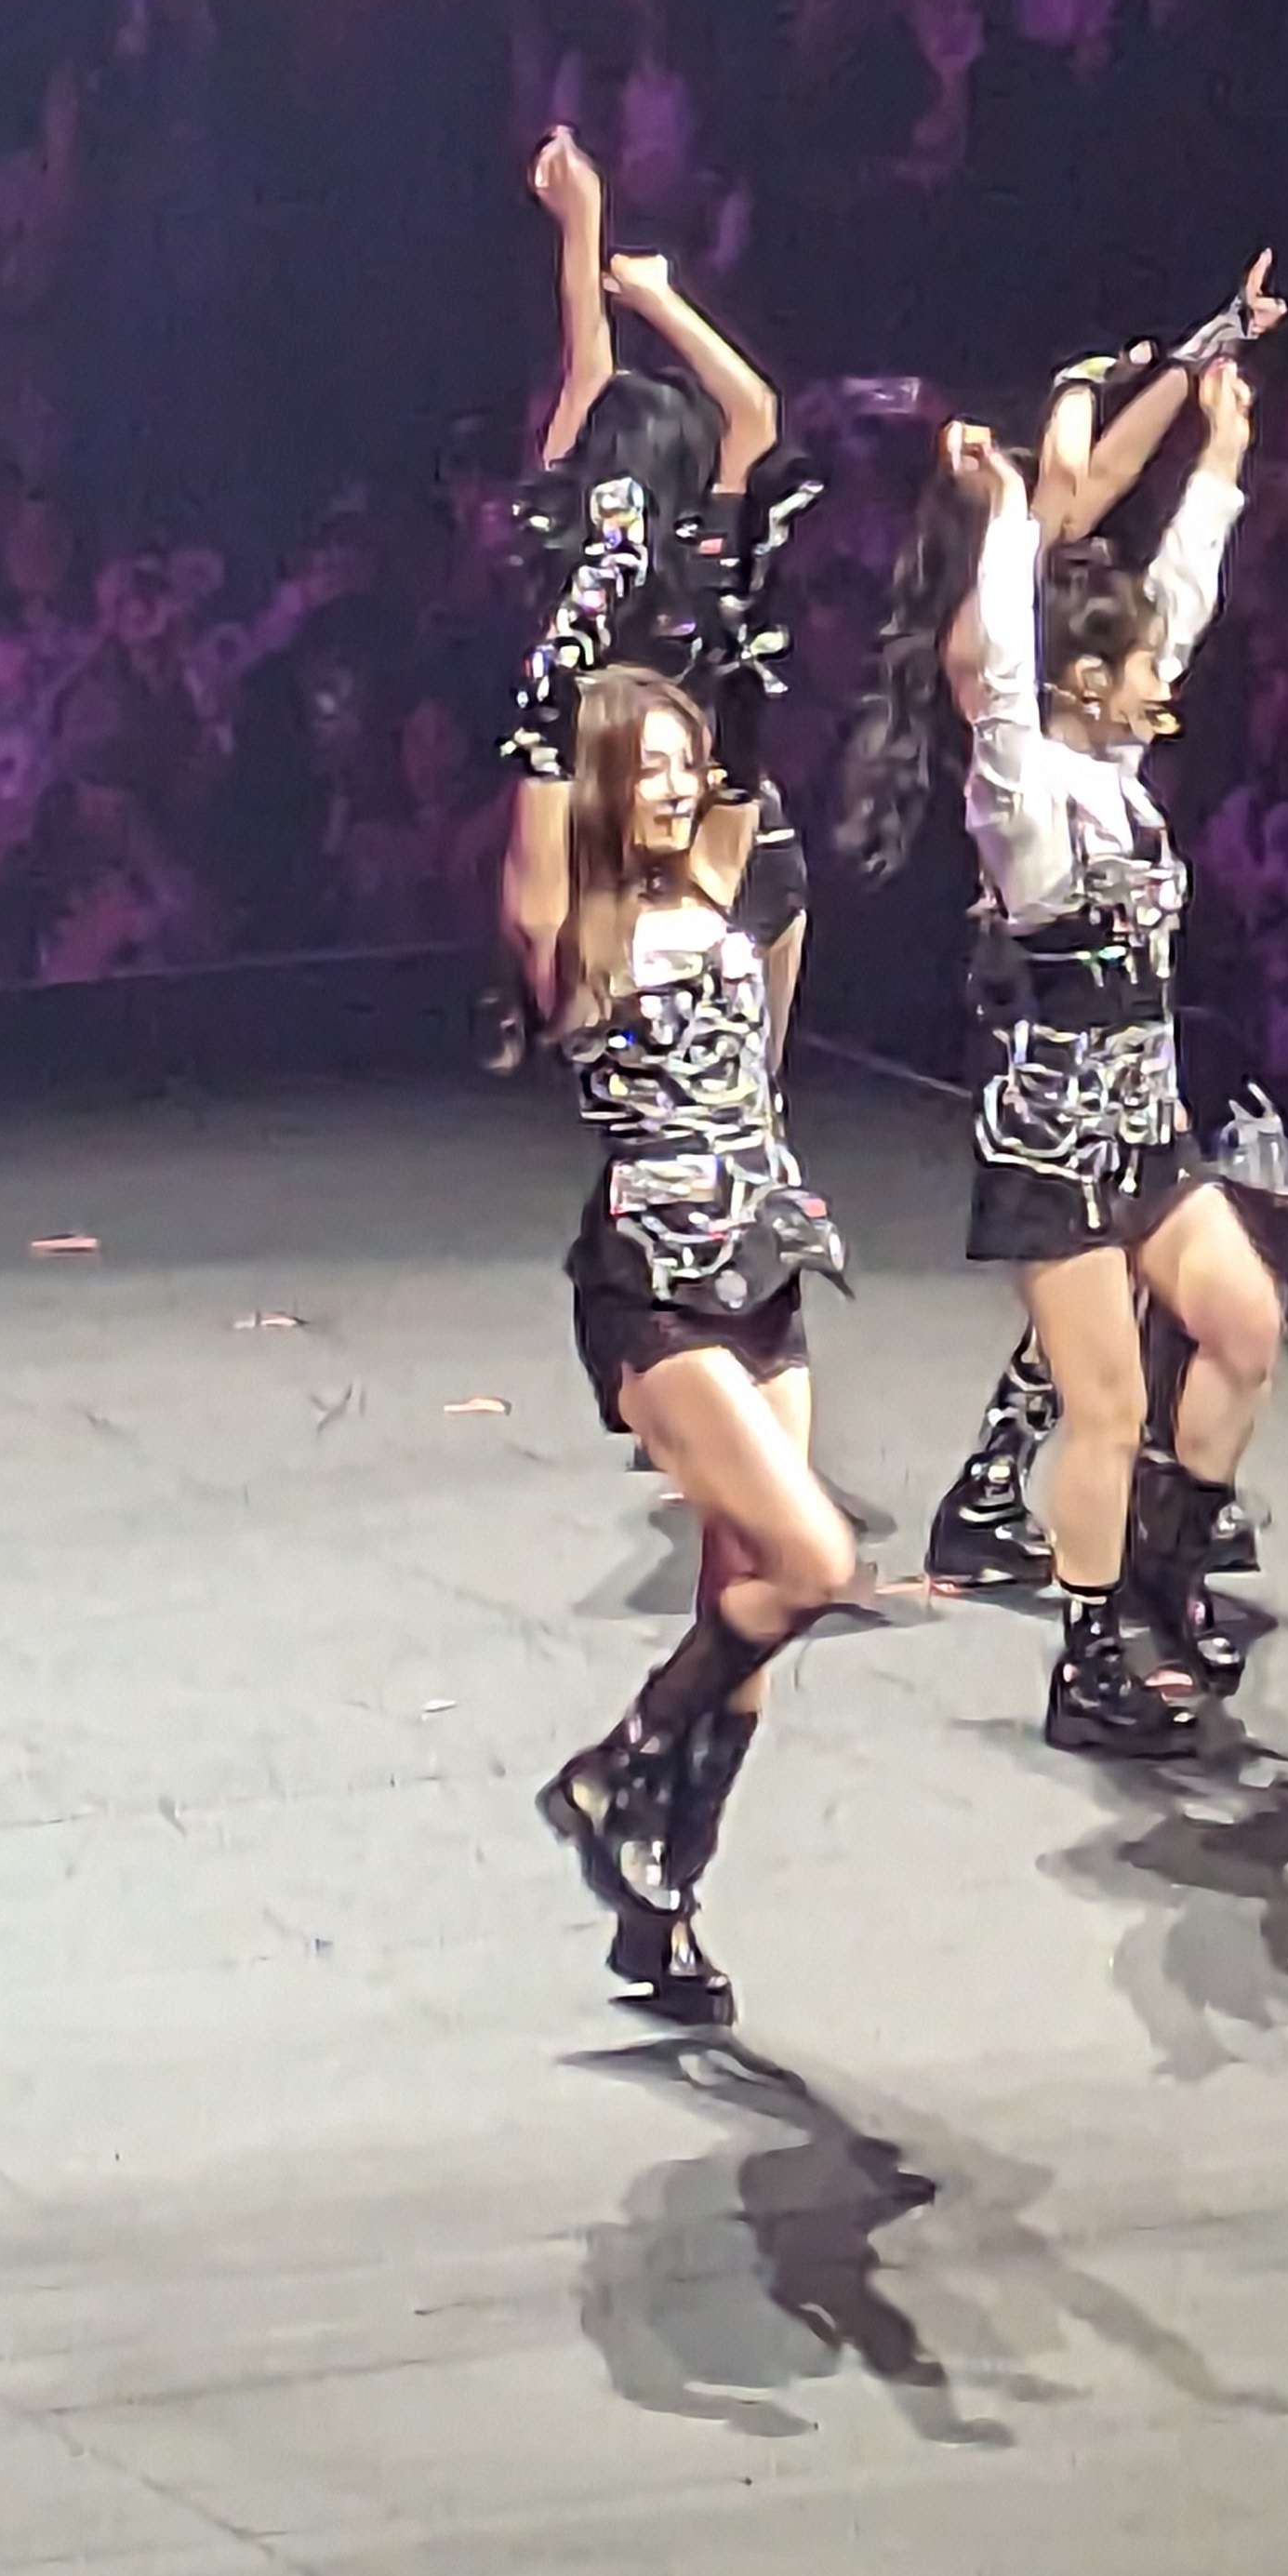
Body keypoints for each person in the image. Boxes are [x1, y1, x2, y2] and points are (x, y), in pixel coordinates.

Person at [850, 354, 1284, 1755]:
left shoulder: (1119, 773)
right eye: (1140, 668)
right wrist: (1003, 519)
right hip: (1052, 1146)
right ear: (1090, 683)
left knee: (1245, 1325)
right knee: (1102, 1405)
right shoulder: (1026, 798)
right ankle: (1088, 1661)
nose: (1166, 678)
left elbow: (1183, 601)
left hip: (1146, 1130)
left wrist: (1222, 457)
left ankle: (1168, 1566)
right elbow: (1004, 672)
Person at [536, 665, 857, 2023]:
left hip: (764, 1266)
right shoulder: (574, 930)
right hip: (652, 1287)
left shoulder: (725, 889)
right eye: (648, 767)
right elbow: (537, 802)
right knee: (815, 1562)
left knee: (749, 1612)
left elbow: (768, 1040)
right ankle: (615, 1766)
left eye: (687, 762)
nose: (675, 788)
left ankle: (661, 1907)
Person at [498, 126, 815, 1016]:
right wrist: (660, 299)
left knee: (632, 1059)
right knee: (737, 1083)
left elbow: (586, 369)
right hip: (707, 827)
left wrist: (582, 223)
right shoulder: (705, 546)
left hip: (633, 834)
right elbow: (755, 408)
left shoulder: (575, 549)